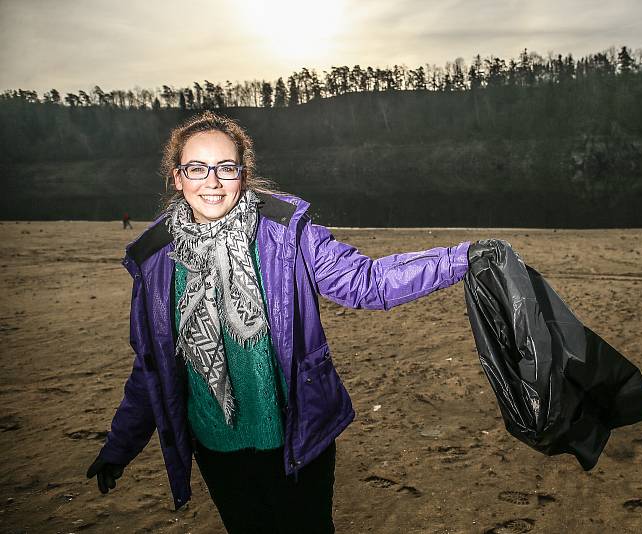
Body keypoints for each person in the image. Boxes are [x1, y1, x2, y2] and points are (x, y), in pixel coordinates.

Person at [85, 110, 472, 533]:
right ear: (177, 178)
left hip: (296, 438)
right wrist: (119, 447)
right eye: (197, 168)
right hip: (216, 448)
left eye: (225, 169)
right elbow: (152, 368)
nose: (211, 182)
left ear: (243, 174)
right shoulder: (155, 258)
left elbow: (368, 281)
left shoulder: (287, 232)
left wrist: (462, 258)